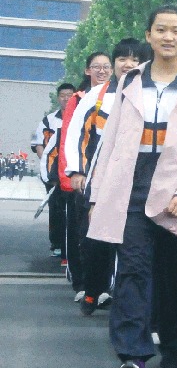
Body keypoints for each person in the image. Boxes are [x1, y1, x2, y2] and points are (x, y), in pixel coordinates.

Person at [86, 4, 177, 368]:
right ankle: (133, 356)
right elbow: (109, 144)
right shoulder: (129, 83)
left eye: (176, 30)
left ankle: (173, 343)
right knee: (133, 270)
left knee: (172, 277)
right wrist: (98, 194)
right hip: (131, 188)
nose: (168, 37)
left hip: (174, 192)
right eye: (161, 29)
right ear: (149, 35)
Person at [64, 38, 143, 315]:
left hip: (134, 184)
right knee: (94, 240)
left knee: (127, 242)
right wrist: (76, 170)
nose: (128, 64)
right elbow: (75, 136)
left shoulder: (148, 95)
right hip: (97, 182)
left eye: (134, 59)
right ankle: (92, 288)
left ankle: (114, 293)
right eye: (122, 59)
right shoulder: (96, 96)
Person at [59, 52, 112, 301]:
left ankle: (103, 287)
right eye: (96, 67)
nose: (102, 71)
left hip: (111, 179)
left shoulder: (122, 95)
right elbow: (69, 138)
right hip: (82, 177)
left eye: (106, 67)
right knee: (83, 232)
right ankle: (83, 283)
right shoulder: (80, 99)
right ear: (87, 71)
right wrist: (69, 174)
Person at [32, 82, 75, 257]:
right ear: (58, 98)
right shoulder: (48, 120)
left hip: (73, 172)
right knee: (56, 209)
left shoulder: (80, 116)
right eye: (63, 95)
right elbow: (37, 143)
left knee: (73, 209)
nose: (66, 98)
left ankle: (71, 245)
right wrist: (47, 165)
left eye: (70, 95)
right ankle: (56, 243)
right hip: (53, 173)